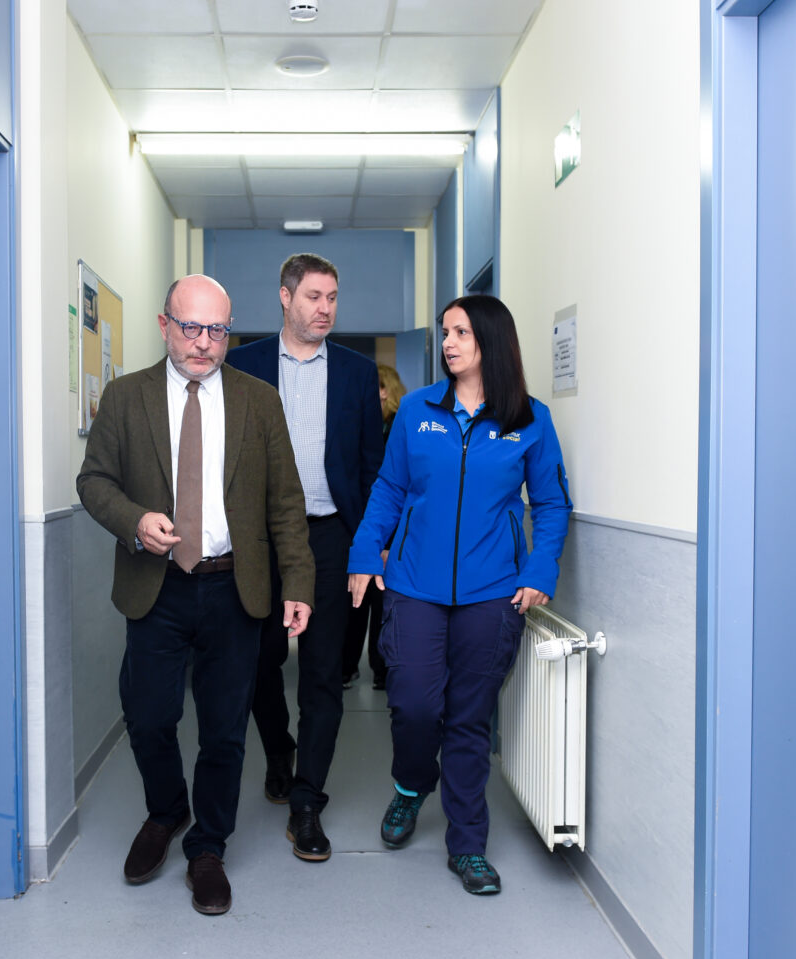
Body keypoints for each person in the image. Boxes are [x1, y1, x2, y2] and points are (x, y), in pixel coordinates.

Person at [76, 274, 315, 916]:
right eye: (191, 327)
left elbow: (285, 502)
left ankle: (207, 846)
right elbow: (93, 481)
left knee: (224, 731)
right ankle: (166, 810)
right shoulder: (126, 398)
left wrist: (298, 584)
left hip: (234, 588)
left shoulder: (258, 401)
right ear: (164, 326)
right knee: (148, 716)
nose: (204, 343)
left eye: (217, 330)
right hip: (156, 587)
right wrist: (135, 521)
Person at [346, 294, 572, 895]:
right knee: (414, 706)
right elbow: (389, 488)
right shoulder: (418, 408)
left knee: (469, 719)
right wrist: (366, 554)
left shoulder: (529, 419)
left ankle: (468, 845)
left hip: (492, 590)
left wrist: (539, 569)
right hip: (415, 585)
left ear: (491, 341)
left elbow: (551, 503)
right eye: (446, 332)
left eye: (461, 333)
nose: (448, 343)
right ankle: (410, 785)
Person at [225, 253, 384, 863]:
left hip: (330, 538)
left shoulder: (356, 372)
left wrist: (369, 545)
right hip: (258, 539)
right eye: (314, 296)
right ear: (285, 297)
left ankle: (307, 800)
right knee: (258, 661)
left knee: (322, 672)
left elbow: (371, 468)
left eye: (333, 298)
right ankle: (278, 750)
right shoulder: (242, 366)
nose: (325, 309)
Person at [341, 364, 406, 691]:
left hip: (389, 535)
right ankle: (347, 667)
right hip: (360, 527)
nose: (376, 393)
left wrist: (388, 543)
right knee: (354, 602)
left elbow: (396, 491)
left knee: (382, 605)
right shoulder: (361, 424)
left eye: (381, 386)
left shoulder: (400, 426)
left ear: (390, 390)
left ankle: (381, 670)